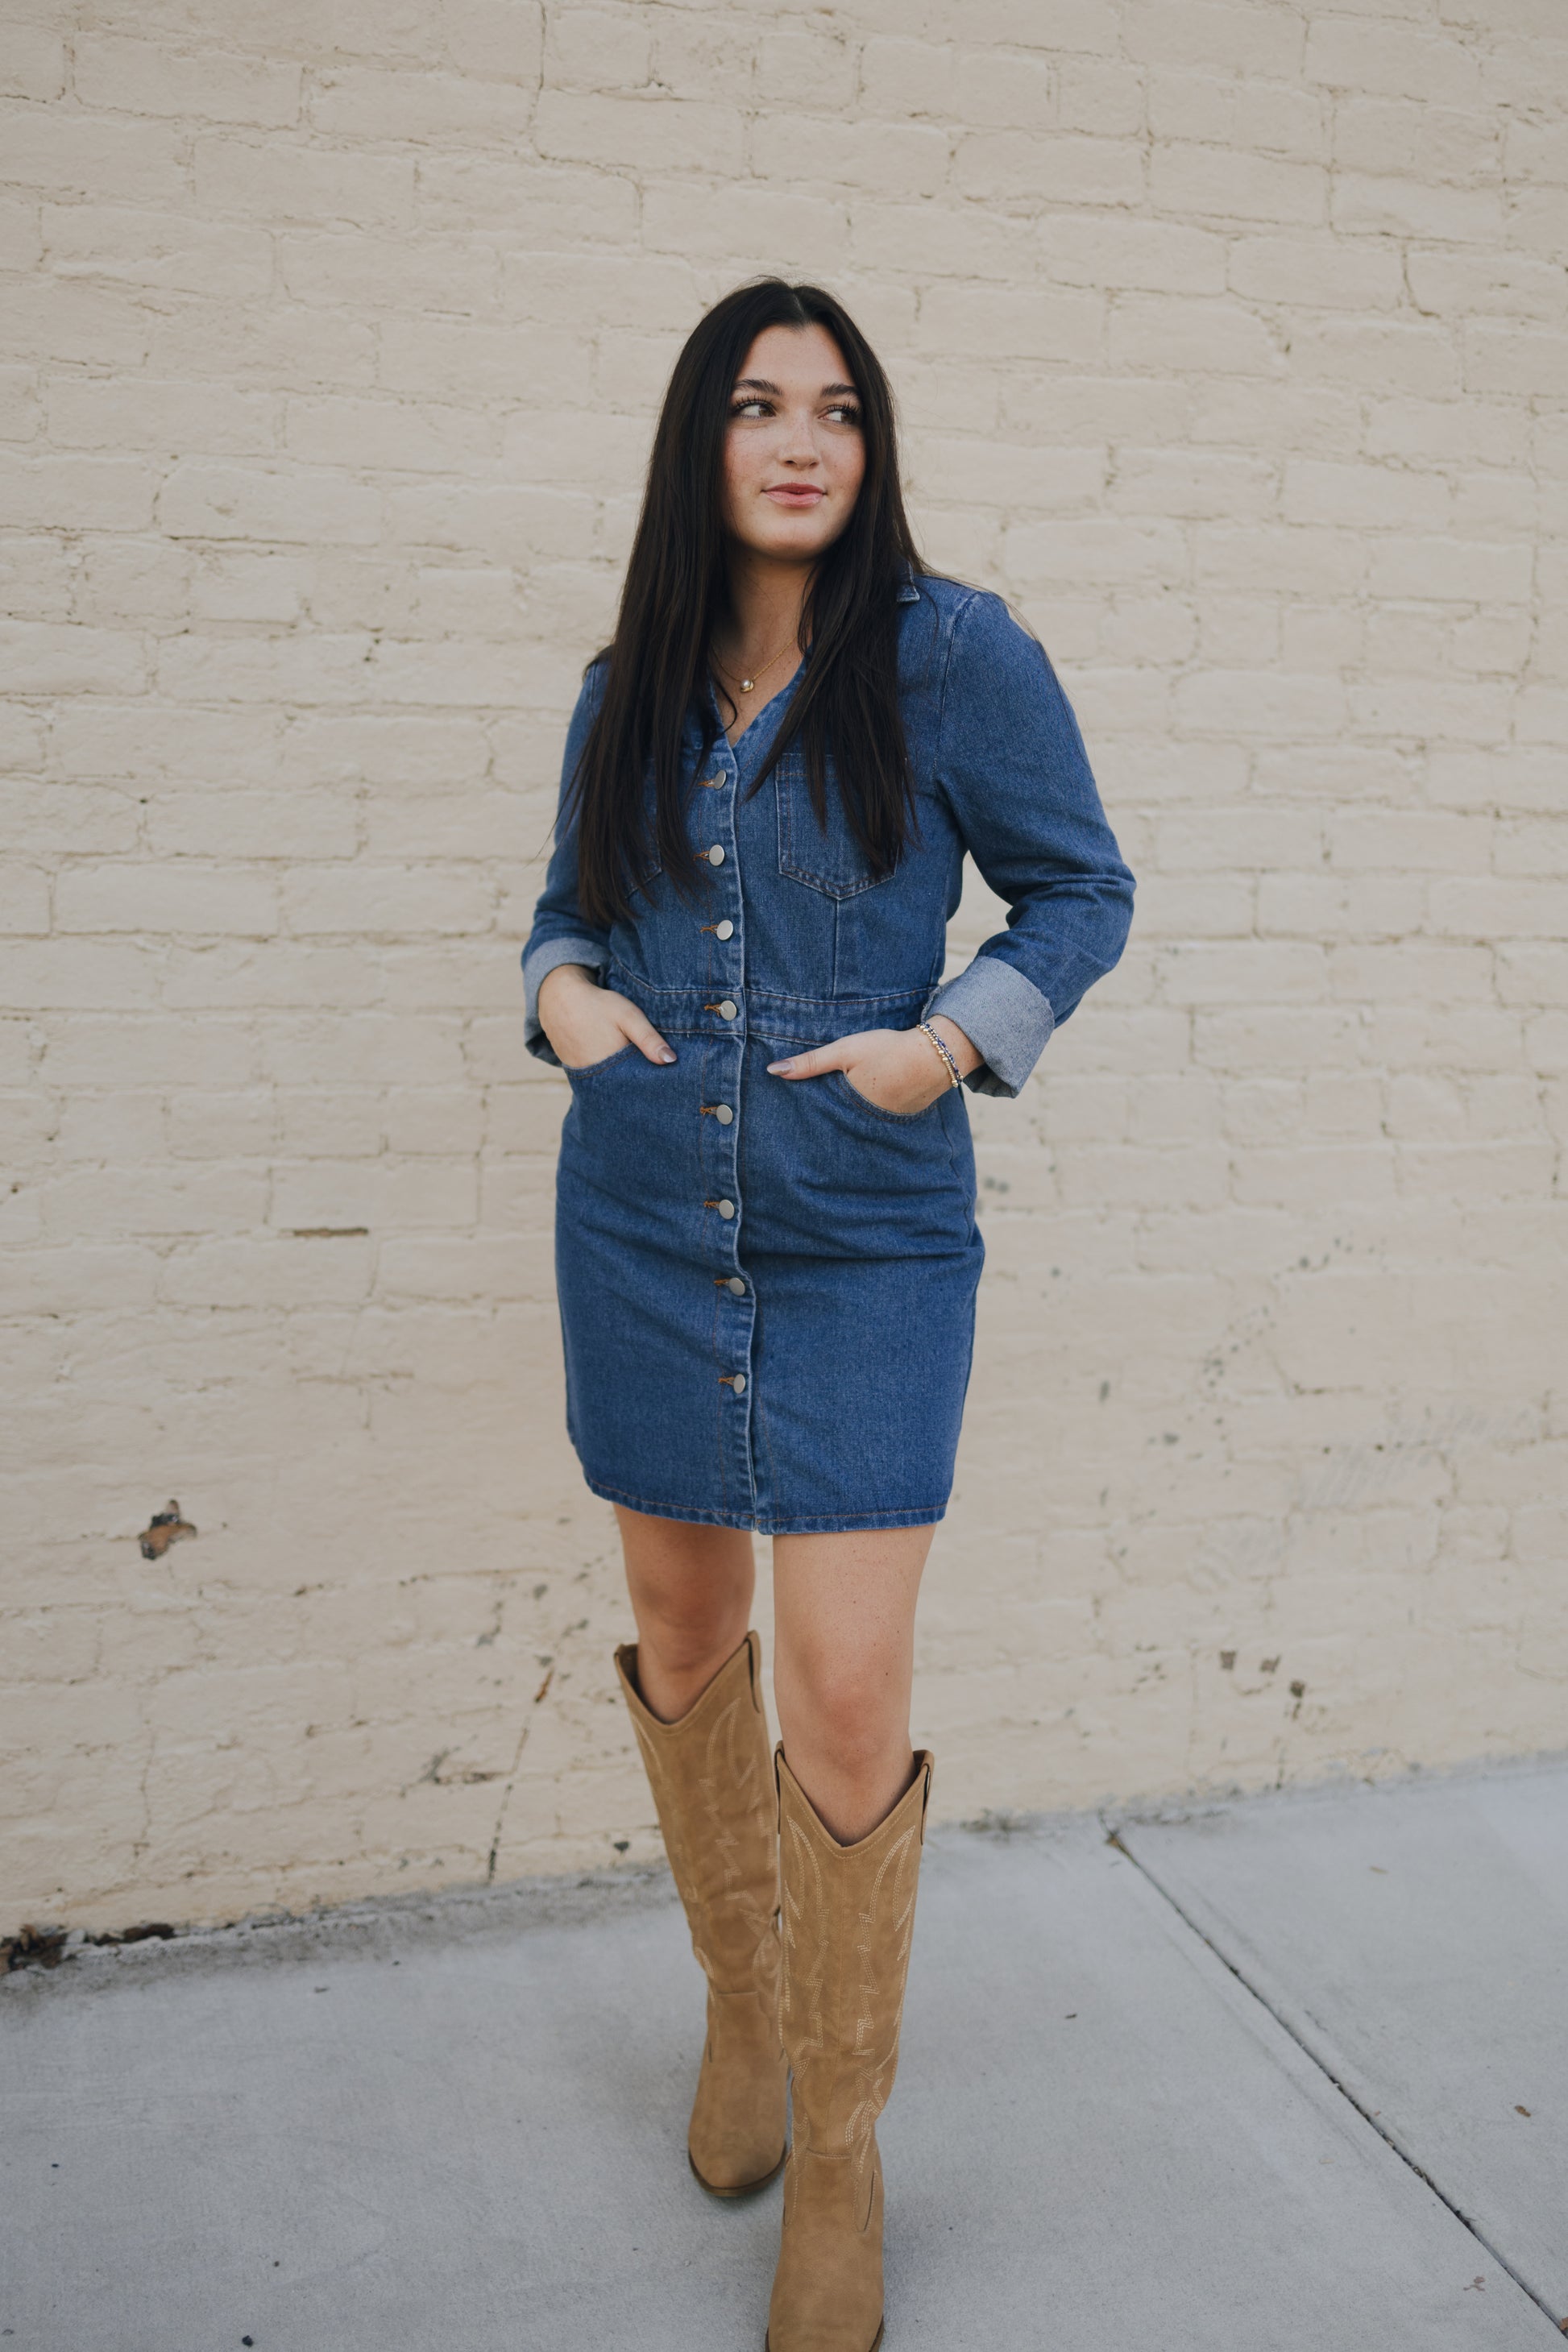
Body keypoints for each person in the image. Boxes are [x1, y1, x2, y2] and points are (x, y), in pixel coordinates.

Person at [521, 278, 1134, 2352]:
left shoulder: (955, 654)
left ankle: (844, 2139)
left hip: (868, 1234)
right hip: (639, 1219)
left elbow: (1082, 891)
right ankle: (741, 2002)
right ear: (700, 440)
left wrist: (940, 1045)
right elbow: (567, 909)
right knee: (686, 1629)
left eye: (840, 409)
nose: (803, 442)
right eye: (761, 405)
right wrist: (560, 994)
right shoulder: (627, 678)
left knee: (846, 1695)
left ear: (872, 448)